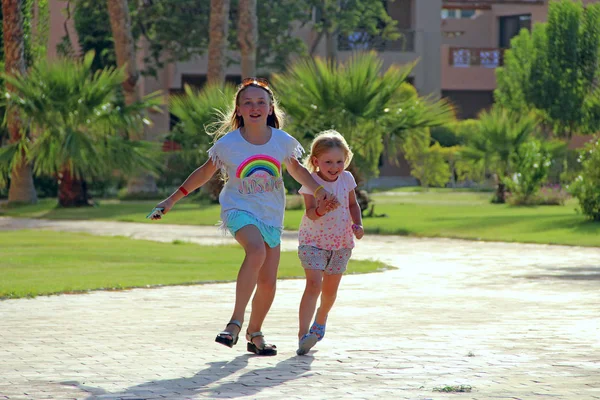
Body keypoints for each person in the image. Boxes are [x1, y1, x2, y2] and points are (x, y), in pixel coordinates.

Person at [149, 78, 339, 356]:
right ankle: (234, 323)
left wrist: (320, 189)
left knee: (268, 282)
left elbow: (298, 171)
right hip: (239, 208)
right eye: (247, 102)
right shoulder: (229, 144)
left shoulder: (282, 141)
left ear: (271, 108)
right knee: (255, 250)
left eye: (261, 102)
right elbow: (204, 172)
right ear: (237, 110)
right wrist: (172, 199)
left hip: (270, 215)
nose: (254, 107)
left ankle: (255, 333)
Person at [295, 130, 364, 356]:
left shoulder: (347, 179)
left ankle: (320, 321)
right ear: (316, 161)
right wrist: (322, 208)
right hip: (313, 241)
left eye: (339, 161)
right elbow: (310, 213)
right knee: (314, 285)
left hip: (341, 243)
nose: (334, 167)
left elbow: (353, 205)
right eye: (328, 162)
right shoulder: (310, 181)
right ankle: (303, 335)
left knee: (330, 291)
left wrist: (358, 224)